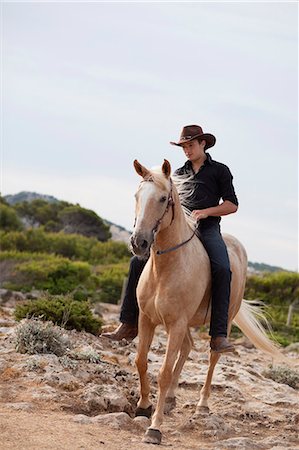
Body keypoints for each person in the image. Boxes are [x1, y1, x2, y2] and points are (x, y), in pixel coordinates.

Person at [102, 125, 239, 353]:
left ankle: (218, 336)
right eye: (184, 146)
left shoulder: (220, 171)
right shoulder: (176, 174)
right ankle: (127, 324)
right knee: (136, 262)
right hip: (178, 229)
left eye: (191, 145)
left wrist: (207, 212)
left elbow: (232, 205)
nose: (187, 150)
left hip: (207, 229)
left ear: (203, 143)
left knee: (223, 268)